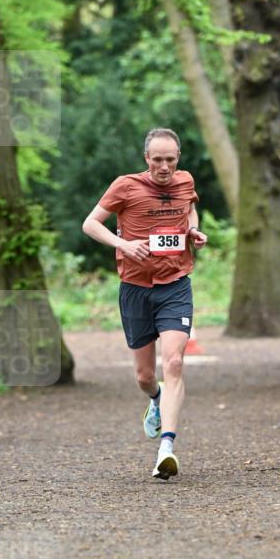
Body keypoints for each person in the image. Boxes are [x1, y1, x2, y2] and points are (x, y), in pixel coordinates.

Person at [82, 128, 208, 480]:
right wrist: (122, 246)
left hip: (175, 285)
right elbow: (90, 224)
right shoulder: (125, 186)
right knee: (144, 376)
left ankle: (166, 448)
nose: (164, 167)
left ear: (178, 158)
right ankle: (154, 400)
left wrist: (193, 232)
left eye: (170, 159)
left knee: (175, 362)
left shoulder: (185, 182)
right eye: (157, 160)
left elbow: (190, 212)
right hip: (135, 288)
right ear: (146, 159)